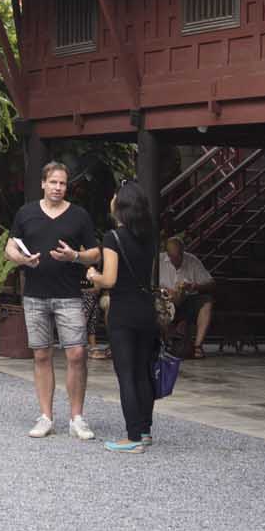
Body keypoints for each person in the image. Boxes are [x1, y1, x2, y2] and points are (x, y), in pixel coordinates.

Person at [5, 160, 101, 440]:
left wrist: (75, 257)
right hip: (35, 295)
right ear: (43, 184)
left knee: (77, 353)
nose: (58, 187)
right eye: (54, 182)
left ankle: (77, 417)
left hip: (69, 295)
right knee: (42, 354)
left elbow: (95, 253)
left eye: (63, 183)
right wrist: (22, 259)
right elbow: (9, 246)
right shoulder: (26, 213)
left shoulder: (79, 216)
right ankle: (46, 416)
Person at [86, 181, 159, 452]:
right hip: (146, 309)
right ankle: (145, 429)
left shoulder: (112, 238)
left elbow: (110, 279)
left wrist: (94, 275)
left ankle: (132, 437)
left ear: (120, 204)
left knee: (126, 374)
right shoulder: (150, 235)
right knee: (143, 372)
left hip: (123, 311)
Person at [158, 235, 216, 358]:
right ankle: (164, 343)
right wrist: (165, 291)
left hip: (187, 301)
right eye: (173, 257)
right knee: (156, 304)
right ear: (167, 254)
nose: (176, 260)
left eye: (179, 256)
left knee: (207, 302)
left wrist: (195, 286)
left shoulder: (192, 260)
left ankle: (197, 347)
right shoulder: (158, 261)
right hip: (165, 300)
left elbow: (211, 282)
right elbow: (147, 285)